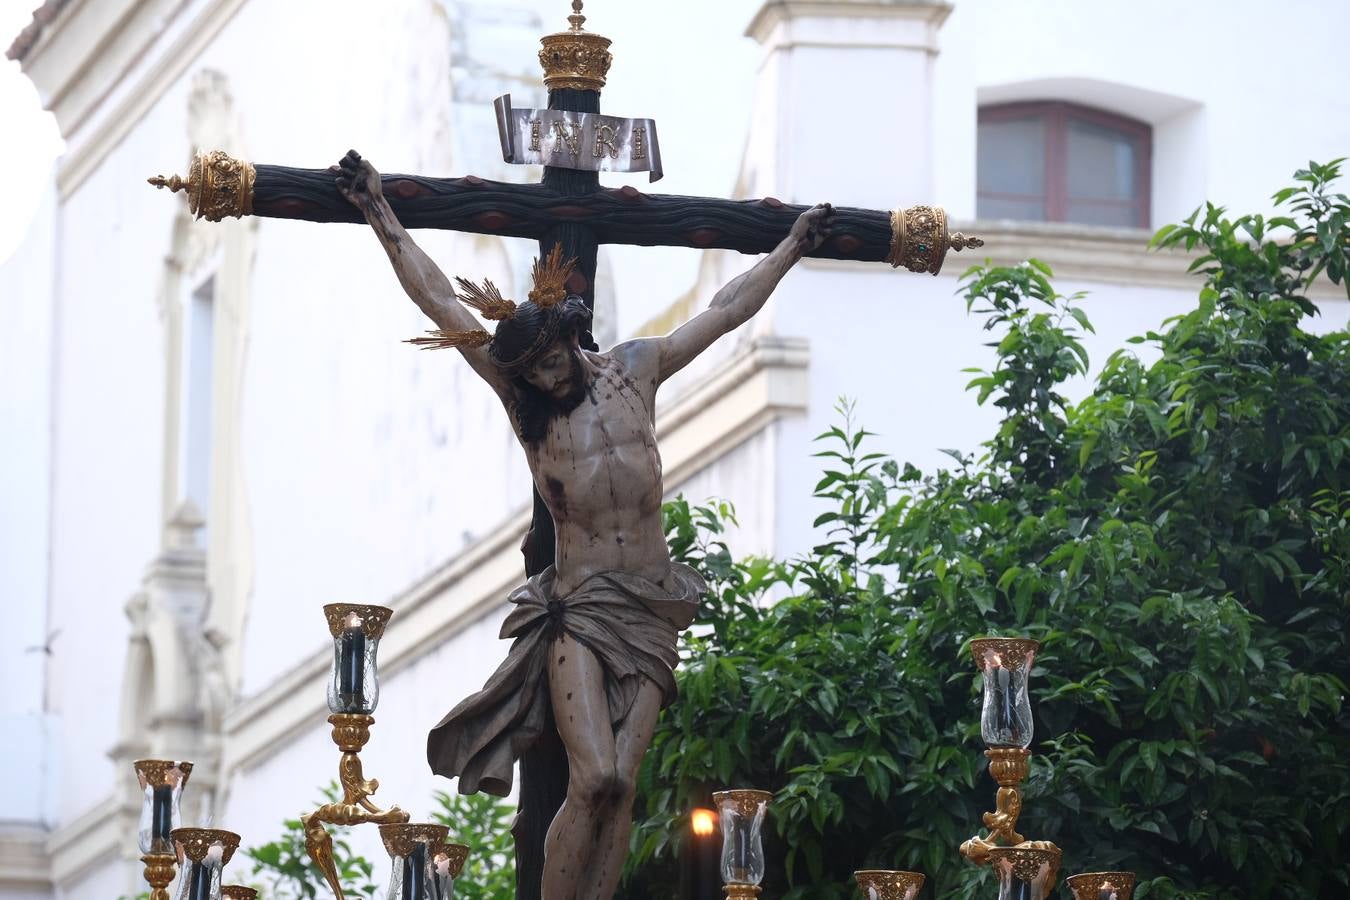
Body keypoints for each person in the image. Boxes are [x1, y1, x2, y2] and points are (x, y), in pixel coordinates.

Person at [331, 149, 834, 900]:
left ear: (570, 336)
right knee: (592, 773)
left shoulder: (637, 369)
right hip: (580, 607)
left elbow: (725, 311)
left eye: (550, 364)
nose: (544, 380)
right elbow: (442, 304)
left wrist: (789, 247)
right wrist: (380, 214)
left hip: (654, 604)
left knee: (621, 786)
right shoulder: (528, 409)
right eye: (530, 373)